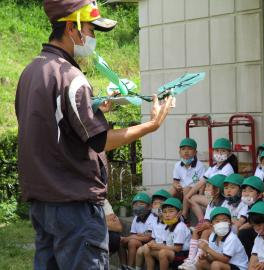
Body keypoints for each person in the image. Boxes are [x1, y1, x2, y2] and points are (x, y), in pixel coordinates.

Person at [15, 0, 172, 268]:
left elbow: (55, 127)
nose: (93, 37)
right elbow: (101, 141)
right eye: (91, 29)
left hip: (42, 204)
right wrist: (151, 125)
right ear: (72, 28)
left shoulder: (32, 71)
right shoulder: (71, 77)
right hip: (74, 206)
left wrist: (94, 105)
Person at [179, 174, 226, 269]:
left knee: (205, 231)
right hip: (212, 226)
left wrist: (207, 225)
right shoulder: (211, 203)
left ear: (217, 190)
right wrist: (204, 224)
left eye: (209, 187)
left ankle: (197, 259)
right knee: (197, 229)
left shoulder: (225, 204)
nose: (206, 190)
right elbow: (207, 219)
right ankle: (190, 259)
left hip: (221, 229)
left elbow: (222, 221)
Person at [186, 138, 238, 222]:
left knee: (193, 198)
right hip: (212, 195)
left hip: (220, 198)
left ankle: (201, 221)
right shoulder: (213, 167)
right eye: (217, 151)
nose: (219, 153)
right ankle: (202, 221)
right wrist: (187, 195)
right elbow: (201, 182)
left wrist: (189, 196)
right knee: (190, 197)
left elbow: (219, 186)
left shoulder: (228, 168)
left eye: (223, 151)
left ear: (229, 154)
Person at [143, 197, 191, 270]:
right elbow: (166, 243)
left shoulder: (180, 227)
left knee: (163, 252)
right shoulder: (168, 226)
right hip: (173, 252)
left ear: (179, 213)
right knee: (147, 249)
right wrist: (153, 244)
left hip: (183, 255)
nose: (167, 215)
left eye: (171, 211)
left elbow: (178, 248)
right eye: (164, 212)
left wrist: (159, 246)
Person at [170, 138, 206, 221]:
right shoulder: (177, 165)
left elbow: (202, 184)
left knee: (187, 189)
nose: (186, 151)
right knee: (172, 190)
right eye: (183, 149)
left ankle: (184, 215)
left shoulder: (199, 166)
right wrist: (176, 186)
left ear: (195, 152)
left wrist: (200, 195)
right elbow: (175, 182)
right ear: (179, 152)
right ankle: (166, 211)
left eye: (189, 149)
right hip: (182, 189)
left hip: (193, 190)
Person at [135, 189, 171, 270]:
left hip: (169, 249)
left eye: (160, 203)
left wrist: (154, 244)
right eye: (155, 203)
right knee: (144, 248)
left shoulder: (171, 220)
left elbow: (170, 243)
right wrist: (151, 243)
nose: (157, 206)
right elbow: (154, 237)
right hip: (159, 245)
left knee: (146, 249)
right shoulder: (155, 219)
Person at [120, 192, 153, 268]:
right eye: (135, 204)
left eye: (141, 204)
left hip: (148, 244)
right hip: (139, 241)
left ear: (149, 207)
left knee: (132, 242)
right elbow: (133, 234)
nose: (138, 206)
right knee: (120, 242)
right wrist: (127, 238)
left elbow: (148, 237)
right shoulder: (136, 218)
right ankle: (123, 266)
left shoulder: (152, 218)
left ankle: (130, 267)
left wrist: (130, 238)